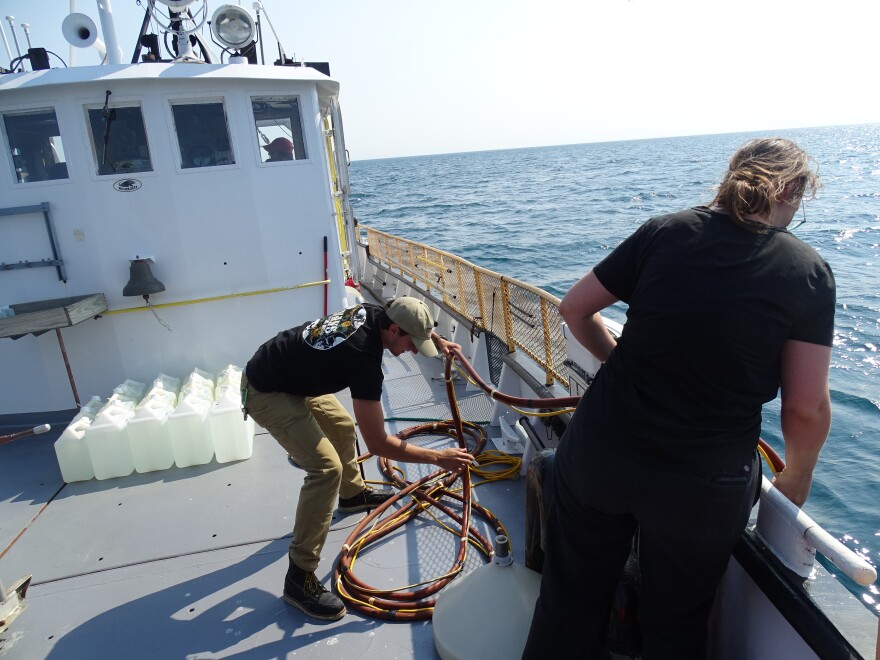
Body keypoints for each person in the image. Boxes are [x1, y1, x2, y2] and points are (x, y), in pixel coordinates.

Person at [522, 138, 835, 659]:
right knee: (676, 625)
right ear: (794, 191)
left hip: (601, 451)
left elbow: (575, 309)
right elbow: (805, 407)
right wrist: (798, 473)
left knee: (569, 601)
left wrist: (615, 360)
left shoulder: (664, 231)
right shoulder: (806, 271)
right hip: (702, 485)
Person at [242, 296, 473, 621]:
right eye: (411, 342)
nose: (412, 350)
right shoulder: (363, 358)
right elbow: (379, 443)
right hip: (267, 390)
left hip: (292, 374)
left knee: (341, 425)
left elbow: (403, 311)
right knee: (325, 469)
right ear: (392, 330)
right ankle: (299, 578)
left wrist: (436, 338)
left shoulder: (379, 313)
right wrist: (438, 459)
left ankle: (352, 496)